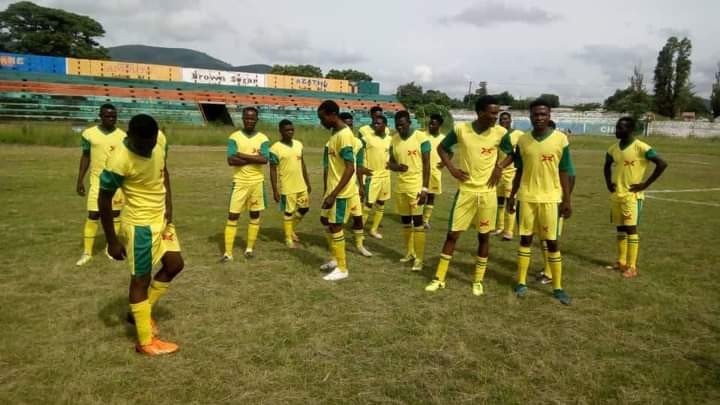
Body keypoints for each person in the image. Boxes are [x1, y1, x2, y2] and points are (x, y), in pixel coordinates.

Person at [99, 114, 184, 356]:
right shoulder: (119, 160)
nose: (148, 148)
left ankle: (137, 313)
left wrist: (169, 205)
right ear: (130, 136)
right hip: (140, 226)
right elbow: (104, 199)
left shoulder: (160, 141)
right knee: (140, 280)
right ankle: (145, 342)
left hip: (161, 220)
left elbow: (164, 171)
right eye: (142, 144)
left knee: (175, 265)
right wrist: (112, 240)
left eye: (151, 142)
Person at [425, 96, 508, 296]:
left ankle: (478, 281)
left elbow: (514, 153)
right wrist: (452, 169)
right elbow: (441, 148)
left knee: (484, 236)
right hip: (466, 192)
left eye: (497, 113)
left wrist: (499, 166)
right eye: (492, 113)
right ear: (480, 112)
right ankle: (439, 278)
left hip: (487, 193)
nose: (495, 117)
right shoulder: (462, 129)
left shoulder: (500, 132)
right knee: (452, 235)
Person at [504, 98, 574, 305]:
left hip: (551, 199)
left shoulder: (561, 139)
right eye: (535, 114)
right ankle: (521, 282)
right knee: (525, 240)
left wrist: (567, 200)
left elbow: (565, 171)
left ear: (549, 116)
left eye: (543, 114)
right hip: (526, 197)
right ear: (530, 116)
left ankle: (558, 287)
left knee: (552, 242)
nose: (539, 118)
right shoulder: (523, 140)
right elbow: (519, 171)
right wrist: (512, 196)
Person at [603, 116, 667, 278]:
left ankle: (632, 267)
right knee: (620, 228)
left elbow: (662, 163)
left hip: (632, 196)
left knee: (631, 229)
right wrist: (608, 183)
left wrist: (645, 184)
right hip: (617, 195)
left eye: (620, 128)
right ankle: (621, 261)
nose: (617, 130)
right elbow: (606, 165)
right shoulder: (613, 149)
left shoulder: (641, 147)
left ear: (630, 130)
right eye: (617, 127)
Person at [75, 104, 126, 266]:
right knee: (93, 215)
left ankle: (111, 249)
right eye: (107, 116)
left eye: (114, 116)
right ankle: (87, 253)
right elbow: (85, 156)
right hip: (97, 182)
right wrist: (80, 180)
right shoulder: (89, 134)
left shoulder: (123, 136)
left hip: (116, 183)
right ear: (100, 116)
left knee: (115, 214)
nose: (111, 119)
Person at [222, 107, 270, 261]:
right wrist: (255, 158)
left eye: (252, 118)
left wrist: (241, 155)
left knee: (254, 214)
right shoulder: (234, 137)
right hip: (240, 182)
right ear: (242, 119)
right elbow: (231, 160)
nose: (249, 121)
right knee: (233, 215)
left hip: (257, 182)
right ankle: (228, 253)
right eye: (247, 118)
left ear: (257, 119)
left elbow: (264, 160)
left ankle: (249, 249)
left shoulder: (263, 138)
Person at [323, 112, 373, 258]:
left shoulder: (358, 143)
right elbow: (327, 167)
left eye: (351, 125)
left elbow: (358, 165)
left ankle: (359, 245)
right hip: (336, 187)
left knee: (358, 217)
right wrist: (327, 189)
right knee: (325, 219)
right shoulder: (330, 143)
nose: (349, 127)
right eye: (347, 124)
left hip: (352, 188)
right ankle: (335, 248)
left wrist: (361, 186)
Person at [318, 100, 356, 281]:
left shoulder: (345, 135)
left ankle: (342, 268)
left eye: (322, 118)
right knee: (325, 220)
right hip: (332, 189)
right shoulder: (334, 134)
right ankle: (335, 259)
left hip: (341, 192)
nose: (321, 122)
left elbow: (350, 168)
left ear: (332, 115)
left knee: (336, 225)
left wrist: (334, 194)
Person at [535, 119, 577, 285]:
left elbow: (571, 176)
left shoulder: (559, 152)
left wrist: (565, 200)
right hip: (541, 199)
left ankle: (550, 273)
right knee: (543, 236)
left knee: (551, 238)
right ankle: (547, 268)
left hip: (555, 201)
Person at [388, 110, 431, 271]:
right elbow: (390, 163)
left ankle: (419, 259)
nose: (400, 128)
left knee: (418, 223)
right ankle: (409, 253)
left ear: (409, 123)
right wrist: (397, 167)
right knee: (405, 222)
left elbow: (427, 165)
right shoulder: (394, 140)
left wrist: (425, 188)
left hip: (416, 187)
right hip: (401, 187)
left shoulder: (421, 137)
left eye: (402, 125)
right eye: (397, 125)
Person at [269, 119, 312, 248]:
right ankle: (288, 239)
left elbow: (302, 164)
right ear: (280, 131)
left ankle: (290, 229)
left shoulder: (298, 144)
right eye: (287, 130)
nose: (290, 132)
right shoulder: (275, 148)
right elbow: (272, 170)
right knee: (289, 212)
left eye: (292, 129)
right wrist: (275, 190)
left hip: (301, 185)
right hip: (288, 187)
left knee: (305, 208)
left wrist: (307, 182)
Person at [359, 114, 393, 239]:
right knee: (368, 203)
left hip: (385, 176)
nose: (375, 125)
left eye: (378, 123)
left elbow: (393, 156)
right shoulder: (366, 139)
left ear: (385, 125)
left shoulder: (390, 140)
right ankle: (359, 231)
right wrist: (361, 168)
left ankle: (374, 229)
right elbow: (357, 153)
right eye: (374, 123)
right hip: (372, 176)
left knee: (381, 203)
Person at [494, 111, 523, 240]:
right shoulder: (497, 135)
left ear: (511, 120)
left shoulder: (519, 134)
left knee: (510, 201)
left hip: (512, 174)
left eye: (506, 119)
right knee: (499, 202)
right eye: (501, 119)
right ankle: (499, 227)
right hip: (498, 173)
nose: (503, 121)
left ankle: (509, 231)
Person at [423, 113, 448, 229]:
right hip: (422, 171)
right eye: (430, 124)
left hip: (435, 172)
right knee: (419, 195)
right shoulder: (423, 136)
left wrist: (445, 162)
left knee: (431, 196)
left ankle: (425, 220)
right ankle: (415, 218)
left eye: (433, 124)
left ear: (439, 125)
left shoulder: (443, 139)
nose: (430, 126)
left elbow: (450, 152)